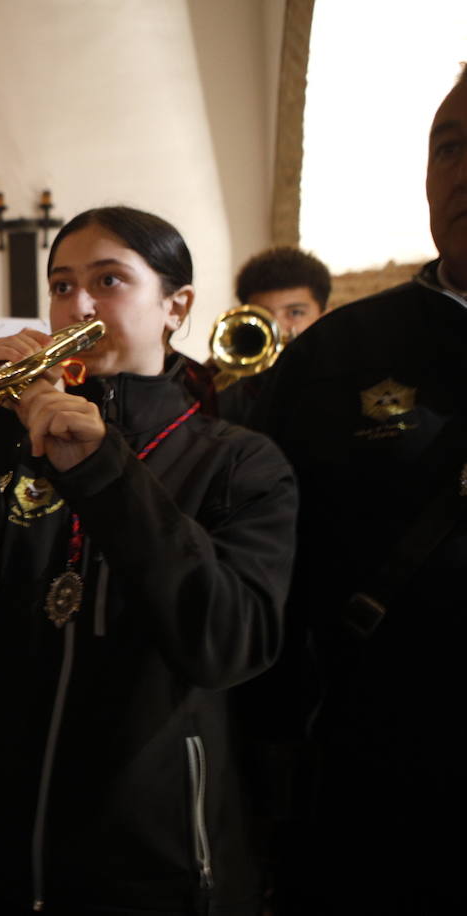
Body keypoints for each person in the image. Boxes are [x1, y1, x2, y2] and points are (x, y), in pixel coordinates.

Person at [0, 206, 297, 914]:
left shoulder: (240, 461)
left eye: (108, 280)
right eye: (61, 285)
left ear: (175, 305)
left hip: (154, 863)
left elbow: (226, 641)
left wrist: (107, 473)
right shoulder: (20, 445)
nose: (77, 305)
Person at [253, 68, 467, 914]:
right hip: (382, 767)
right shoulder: (335, 356)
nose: (464, 171)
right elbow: (275, 573)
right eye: (449, 148)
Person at [216, 247, 331, 424]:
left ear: (324, 316)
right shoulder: (227, 386)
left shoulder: (340, 379)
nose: (278, 328)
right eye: (263, 315)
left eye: (295, 313)